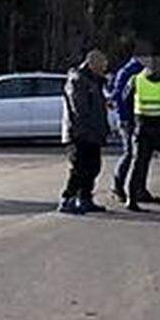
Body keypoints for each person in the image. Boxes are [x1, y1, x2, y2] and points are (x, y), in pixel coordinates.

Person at [123, 55, 160, 212]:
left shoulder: (136, 79)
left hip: (143, 128)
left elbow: (125, 101)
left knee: (139, 165)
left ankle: (131, 198)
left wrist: (131, 122)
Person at [60, 50, 111, 214]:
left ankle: (85, 198)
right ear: (92, 64)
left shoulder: (95, 80)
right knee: (80, 168)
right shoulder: (78, 80)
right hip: (80, 133)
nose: (104, 69)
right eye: (102, 66)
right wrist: (85, 130)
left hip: (93, 133)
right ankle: (68, 199)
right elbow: (79, 109)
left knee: (94, 167)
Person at [108, 44, 154, 204]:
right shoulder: (130, 72)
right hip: (129, 120)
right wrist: (126, 118)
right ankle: (118, 186)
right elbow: (118, 97)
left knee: (141, 156)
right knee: (130, 154)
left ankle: (139, 188)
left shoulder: (133, 70)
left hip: (136, 118)